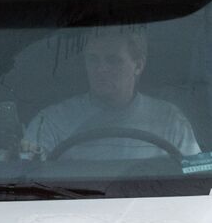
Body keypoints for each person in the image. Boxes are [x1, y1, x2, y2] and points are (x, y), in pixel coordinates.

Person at [23, 26, 200, 162]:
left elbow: (196, 175)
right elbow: (26, 175)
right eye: (93, 59)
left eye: (113, 60)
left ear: (138, 65)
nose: (101, 69)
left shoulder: (169, 120)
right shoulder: (51, 122)